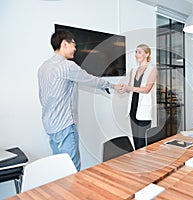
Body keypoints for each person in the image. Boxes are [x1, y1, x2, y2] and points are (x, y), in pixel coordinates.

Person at [38, 30, 121, 171]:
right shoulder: (67, 66)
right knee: (72, 169)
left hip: (50, 125)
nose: (76, 49)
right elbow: (90, 79)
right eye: (74, 45)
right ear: (65, 44)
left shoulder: (43, 67)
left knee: (59, 166)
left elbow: (42, 95)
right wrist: (112, 85)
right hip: (65, 125)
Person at [119, 44, 157, 150]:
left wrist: (129, 88)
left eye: (139, 52)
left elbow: (146, 89)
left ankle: (144, 164)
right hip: (133, 109)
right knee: (136, 139)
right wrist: (123, 89)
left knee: (143, 141)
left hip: (143, 110)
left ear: (147, 54)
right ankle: (137, 162)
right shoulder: (133, 70)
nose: (136, 54)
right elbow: (131, 89)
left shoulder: (152, 70)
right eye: (136, 52)